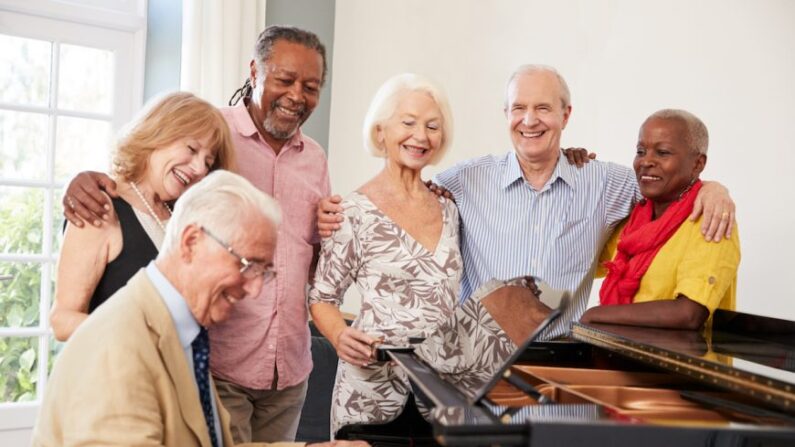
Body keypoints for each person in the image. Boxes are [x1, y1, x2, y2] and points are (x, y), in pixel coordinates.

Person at [318, 65, 736, 340]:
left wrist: (714, 188)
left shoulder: (605, 182)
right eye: (518, 108)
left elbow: (666, 187)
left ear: (565, 115)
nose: (530, 120)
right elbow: (405, 191)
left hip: (563, 371)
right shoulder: (463, 180)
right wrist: (336, 212)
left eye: (543, 108)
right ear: (506, 114)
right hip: (475, 373)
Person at [61, 26, 331, 443]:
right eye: (285, 79)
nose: (200, 166)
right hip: (217, 364)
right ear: (255, 71)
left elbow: (310, 252)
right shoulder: (211, 129)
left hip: (287, 366)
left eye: (311, 86)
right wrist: (82, 179)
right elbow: (139, 171)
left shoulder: (313, 159)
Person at [308, 74, 461, 434]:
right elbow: (322, 297)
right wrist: (340, 337)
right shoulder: (351, 212)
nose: (420, 136)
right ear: (381, 132)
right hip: (371, 390)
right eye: (408, 123)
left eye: (432, 126)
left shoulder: (450, 209)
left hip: (440, 394)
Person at [50, 92, 235, 341]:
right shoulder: (101, 207)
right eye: (191, 149)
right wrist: (139, 333)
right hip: (116, 376)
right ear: (158, 134)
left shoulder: (181, 220)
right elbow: (63, 321)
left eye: (208, 162)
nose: (200, 169)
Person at [580, 109, 740, 329]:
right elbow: (576, 259)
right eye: (641, 151)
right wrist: (576, 177)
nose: (646, 161)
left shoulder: (711, 221)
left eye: (663, 152)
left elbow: (689, 314)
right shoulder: (633, 221)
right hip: (619, 357)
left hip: (678, 362)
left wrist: (596, 315)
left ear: (698, 164)